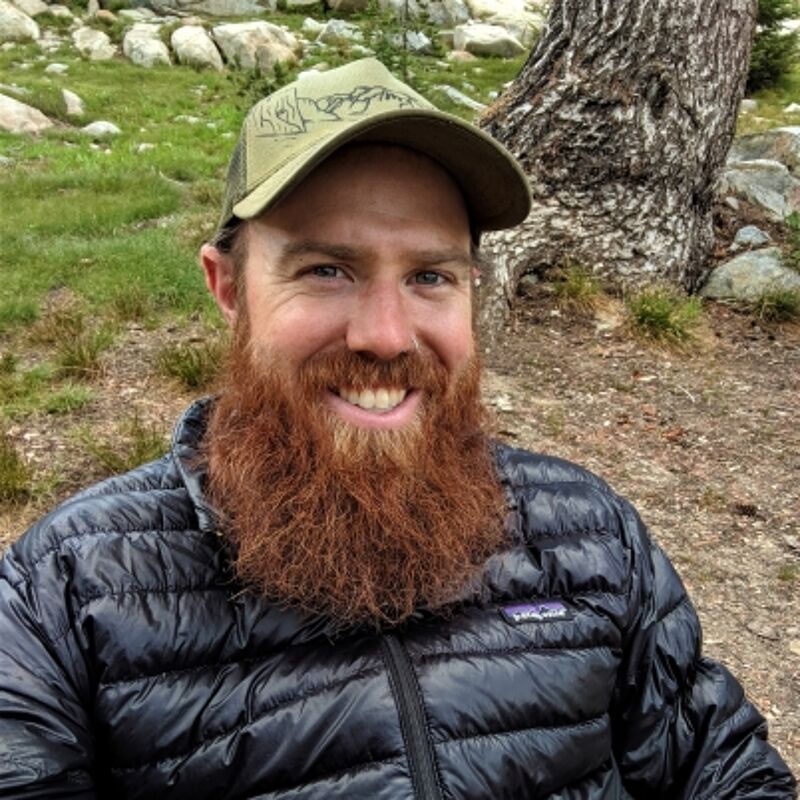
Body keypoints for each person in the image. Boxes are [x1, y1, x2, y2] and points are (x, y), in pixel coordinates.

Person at [0, 58, 795, 799]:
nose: (385, 335)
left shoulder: (590, 535)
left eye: (429, 276)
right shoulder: (66, 592)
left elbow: (721, 767)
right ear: (229, 288)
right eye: (326, 270)